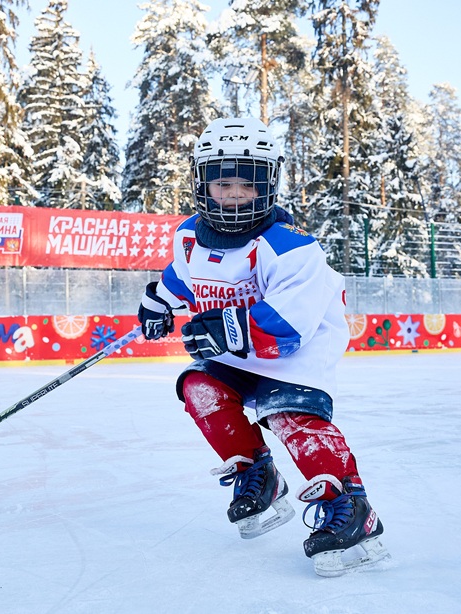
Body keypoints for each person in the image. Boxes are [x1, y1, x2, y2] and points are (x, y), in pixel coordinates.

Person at [137, 117, 389, 577]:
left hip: (298, 348)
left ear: (267, 185)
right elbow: (183, 279)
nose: (234, 194)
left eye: (246, 184)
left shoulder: (289, 246)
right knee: (199, 386)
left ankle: (351, 508)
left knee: (287, 411)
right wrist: (157, 302)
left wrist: (228, 329)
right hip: (237, 345)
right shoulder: (189, 235)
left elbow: (291, 322)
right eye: (223, 182)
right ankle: (259, 474)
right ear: (202, 184)